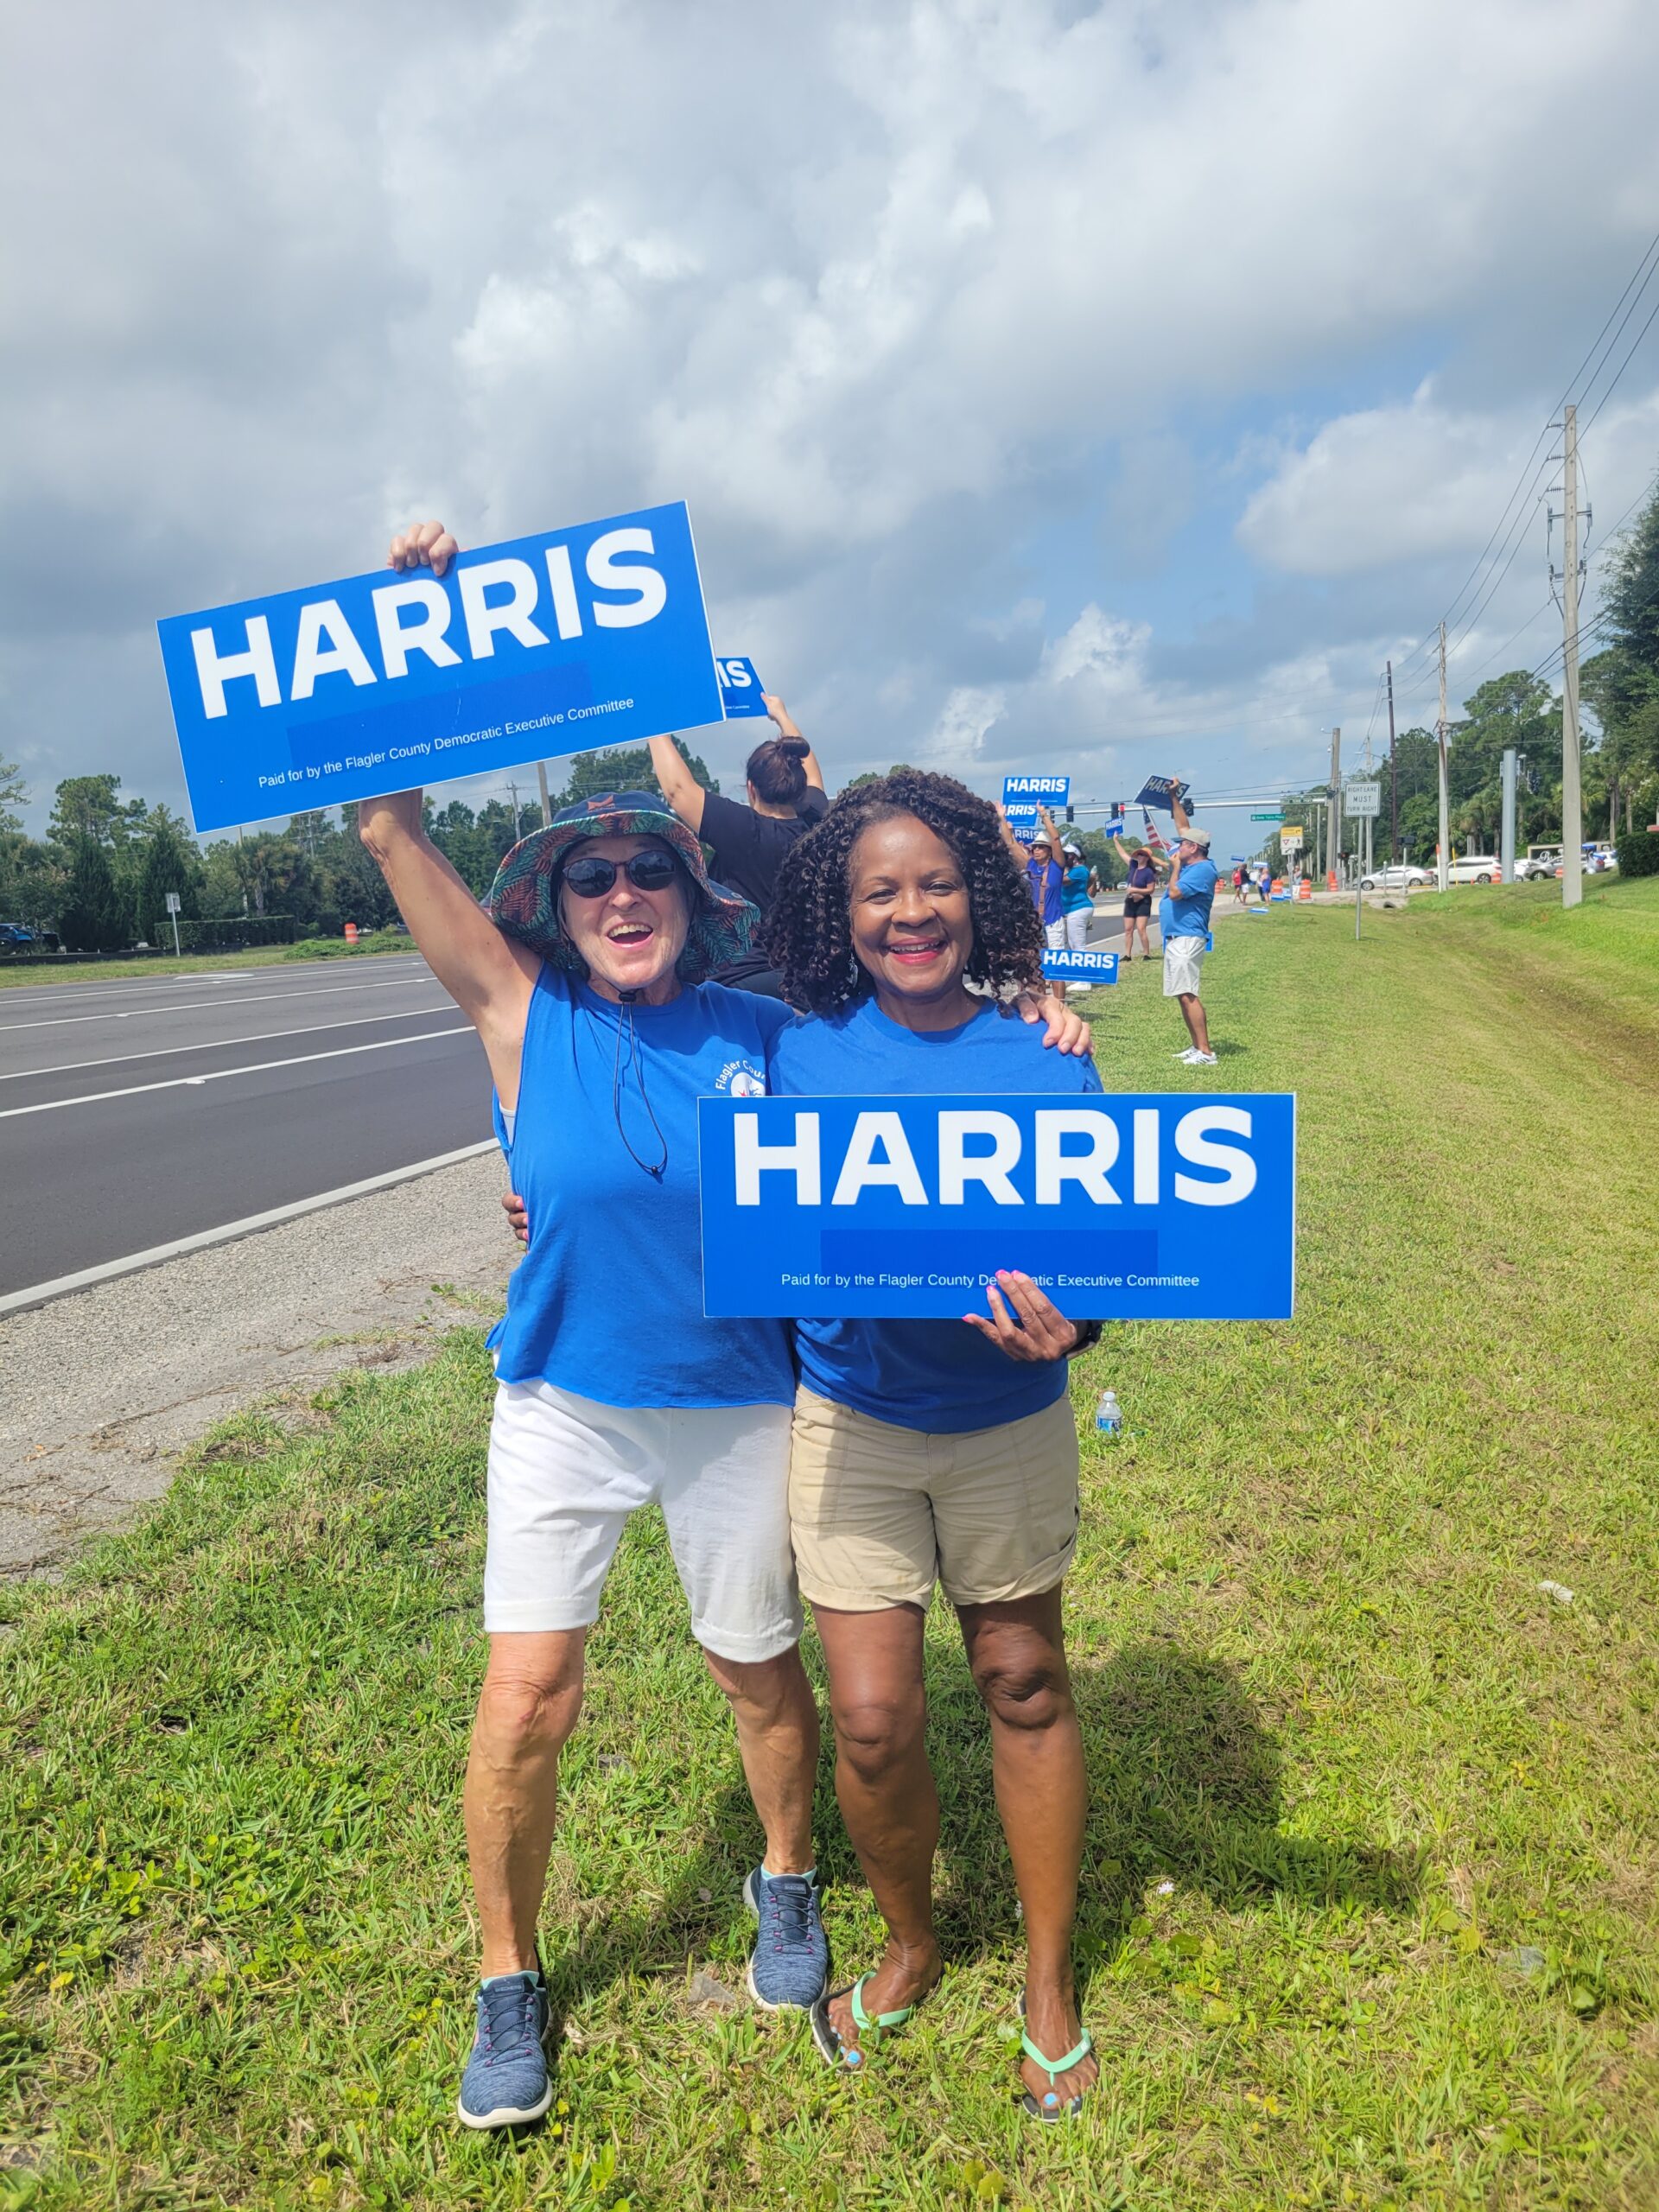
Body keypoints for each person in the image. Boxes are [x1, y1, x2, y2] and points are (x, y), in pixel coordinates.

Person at [371, 521, 828, 2131]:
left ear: (690, 901)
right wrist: (419, 621)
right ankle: (509, 1978)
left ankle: (786, 1879)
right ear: (553, 907)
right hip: (561, 1397)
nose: (624, 891)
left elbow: (925, 1067)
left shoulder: (767, 1029)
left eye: (649, 871)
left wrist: (1040, 1016)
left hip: (736, 1401)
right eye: (593, 875)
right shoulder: (518, 1009)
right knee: (527, 1696)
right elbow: (386, 824)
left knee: (756, 1669)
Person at [760, 772, 1106, 2123]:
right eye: (879, 892)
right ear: (841, 914)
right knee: (869, 1719)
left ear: (982, 892)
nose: (913, 913)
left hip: (1004, 1427)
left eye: (938, 885)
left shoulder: (1051, 1050)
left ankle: (1046, 1978)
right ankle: (910, 1943)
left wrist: (1071, 1336)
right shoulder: (799, 1051)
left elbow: (1103, 1267)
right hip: (849, 1423)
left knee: (1023, 1683)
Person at [646, 700, 829, 997]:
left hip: (744, 985)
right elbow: (811, 771)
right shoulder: (816, 818)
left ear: (751, 788)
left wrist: (651, 721)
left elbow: (678, 791)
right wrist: (782, 715)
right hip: (805, 981)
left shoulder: (748, 833)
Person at [1161, 786, 1219, 1065]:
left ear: (1193, 848)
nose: (1177, 847)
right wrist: (1173, 798)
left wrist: (1173, 869)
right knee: (1181, 994)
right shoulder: (1192, 862)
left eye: (1182, 845)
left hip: (1188, 937)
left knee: (1189, 994)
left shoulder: (1201, 870)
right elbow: (1183, 825)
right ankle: (1196, 1046)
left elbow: (1175, 894)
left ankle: (1206, 1052)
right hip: (1176, 937)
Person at [1115, 833, 1165, 963]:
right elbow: (1122, 854)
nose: (1139, 856)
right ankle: (1127, 955)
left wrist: (1136, 890)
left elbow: (1150, 889)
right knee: (1128, 929)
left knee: (1141, 928)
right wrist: (1116, 840)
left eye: (1142, 854)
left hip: (1143, 901)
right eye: (1138, 854)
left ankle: (1146, 953)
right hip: (1131, 901)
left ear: (1147, 858)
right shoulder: (1133, 866)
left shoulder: (1149, 872)